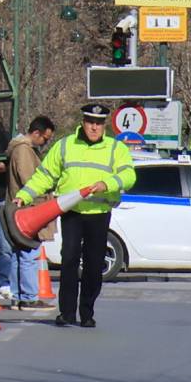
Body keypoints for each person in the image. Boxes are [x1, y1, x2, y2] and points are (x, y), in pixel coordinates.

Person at [14, 102, 137, 327]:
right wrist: (25, 195)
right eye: (90, 122)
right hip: (71, 212)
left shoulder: (115, 148)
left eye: (99, 123)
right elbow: (45, 175)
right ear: (83, 122)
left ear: (104, 126)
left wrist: (107, 184)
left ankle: (87, 312)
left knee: (93, 264)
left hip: (99, 213)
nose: (94, 128)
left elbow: (129, 176)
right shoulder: (65, 145)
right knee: (69, 259)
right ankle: (67, 312)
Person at [0, 115, 56, 309]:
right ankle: (28, 296)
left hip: (21, 210)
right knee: (29, 253)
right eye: (45, 139)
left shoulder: (23, 149)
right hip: (27, 211)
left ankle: (19, 295)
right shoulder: (24, 151)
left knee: (20, 253)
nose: (46, 142)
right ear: (36, 133)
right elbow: (29, 180)